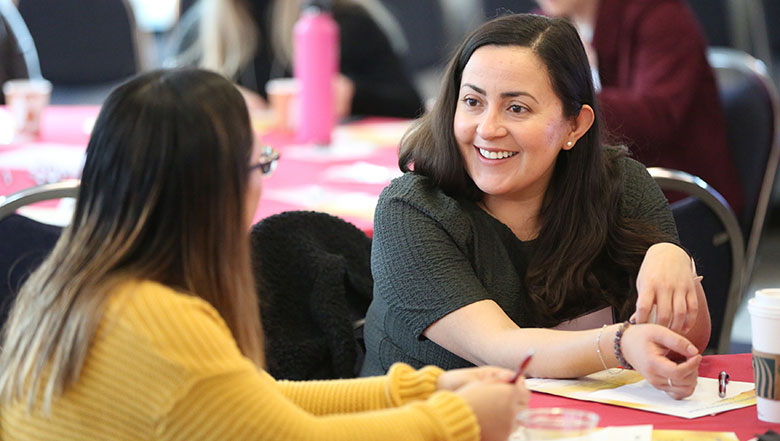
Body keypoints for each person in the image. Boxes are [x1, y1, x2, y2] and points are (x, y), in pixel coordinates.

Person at [0, 69, 528, 441]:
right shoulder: (157, 319)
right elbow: (288, 436)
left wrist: (427, 388)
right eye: (262, 165)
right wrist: (455, 421)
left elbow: (255, 402)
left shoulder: (64, 287)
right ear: (220, 190)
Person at [361, 13, 711, 400]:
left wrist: (674, 259)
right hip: (427, 423)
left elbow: (687, 341)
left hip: (574, 421)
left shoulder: (620, 185)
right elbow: (500, 348)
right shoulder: (412, 211)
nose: (488, 128)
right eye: (473, 102)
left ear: (575, 126)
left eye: (517, 108)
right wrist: (620, 343)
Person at [535, 0, 744, 215]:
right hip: (608, 193)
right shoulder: (546, 28)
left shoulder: (660, 13)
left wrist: (566, 99)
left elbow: (658, 115)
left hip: (678, 201)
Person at [171, 0, 423, 118]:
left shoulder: (347, 19)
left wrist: (353, 95)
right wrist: (208, 98)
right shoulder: (201, 27)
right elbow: (165, 101)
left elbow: (412, 105)